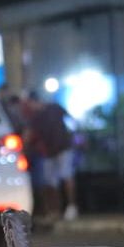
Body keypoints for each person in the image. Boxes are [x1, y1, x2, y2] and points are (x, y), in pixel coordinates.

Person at [24, 94, 78, 222]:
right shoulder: (35, 117)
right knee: (50, 182)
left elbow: (71, 121)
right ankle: (55, 210)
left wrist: (74, 137)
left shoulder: (54, 108)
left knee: (66, 176)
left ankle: (71, 206)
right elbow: (29, 133)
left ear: (35, 101)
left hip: (63, 148)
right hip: (48, 152)